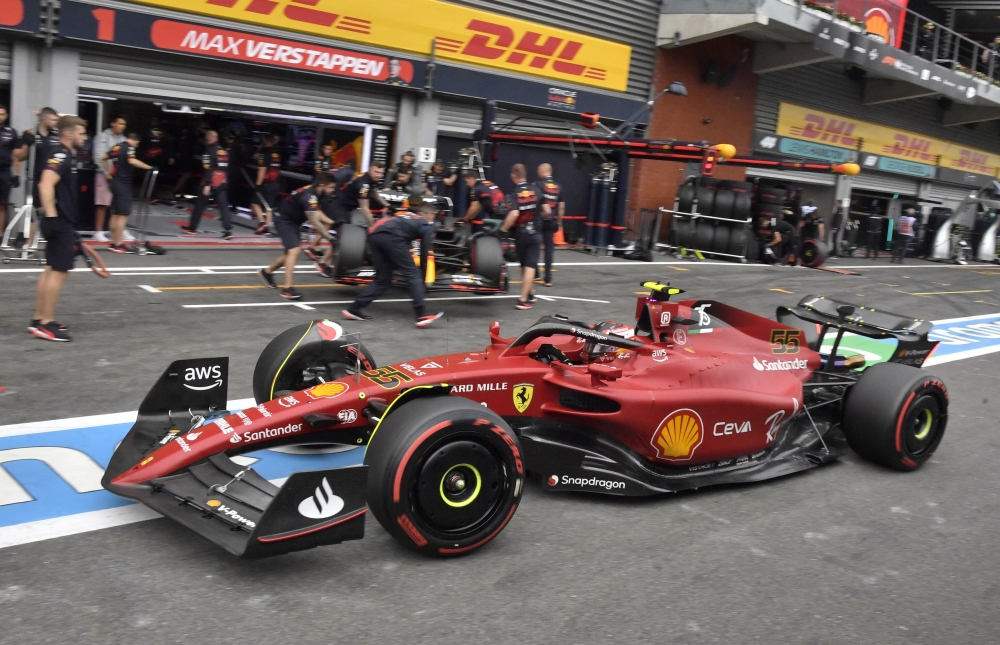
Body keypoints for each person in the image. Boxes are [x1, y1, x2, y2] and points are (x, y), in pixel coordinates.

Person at [28, 115, 88, 342]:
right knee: (59, 270)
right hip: (59, 220)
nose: (85, 137)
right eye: (81, 133)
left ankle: (38, 319)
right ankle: (46, 323)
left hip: (61, 219)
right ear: (69, 134)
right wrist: (52, 216)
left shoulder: (66, 155)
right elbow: (45, 184)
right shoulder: (61, 154)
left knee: (51, 268)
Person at [341, 201, 443, 326]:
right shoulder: (425, 225)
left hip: (375, 234)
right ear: (428, 215)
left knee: (383, 279)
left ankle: (353, 309)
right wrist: (423, 275)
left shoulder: (405, 216)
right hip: (392, 236)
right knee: (413, 274)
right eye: (433, 215)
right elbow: (425, 252)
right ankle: (421, 314)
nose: (433, 218)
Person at [258, 172, 337, 300]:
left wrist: (333, 222)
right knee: (294, 251)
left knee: (289, 254)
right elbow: (316, 223)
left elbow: (316, 211)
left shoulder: (316, 192)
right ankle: (287, 289)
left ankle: (266, 272)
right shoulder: (308, 196)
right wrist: (332, 239)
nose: (332, 190)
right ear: (322, 185)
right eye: (331, 187)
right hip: (284, 221)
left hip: (293, 222)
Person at [500, 164, 549, 310]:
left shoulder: (513, 194)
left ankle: (527, 297)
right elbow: (547, 210)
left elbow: (514, 214)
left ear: (514, 175)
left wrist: (503, 230)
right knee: (530, 265)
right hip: (535, 232)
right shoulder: (537, 190)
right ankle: (527, 296)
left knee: (525, 265)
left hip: (520, 233)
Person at [103, 131, 152, 253]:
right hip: (123, 184)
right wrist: (149, 167)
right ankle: (118, 244)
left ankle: (113, 243)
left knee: (115, 213)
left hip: (114, 182)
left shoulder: (116, 146)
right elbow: (132, 161)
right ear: (136, 141)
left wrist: (109, 172)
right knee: (123, 214)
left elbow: (103, 158)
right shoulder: (129, 147)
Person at [182, 130, 233, 240]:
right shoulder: (224, 151)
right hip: (222, 181)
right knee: (223, 206)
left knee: (199, 205)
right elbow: (226, 167)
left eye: (206, 138)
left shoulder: (208, 151)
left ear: (209, 138)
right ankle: (228, 231)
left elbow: (208, 168)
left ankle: (192, 228)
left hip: (210, 182)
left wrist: (208, 184)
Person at [91, 115, 127, 243]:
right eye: (120, 123)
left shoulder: (123, 139)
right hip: (103, 174)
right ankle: (98, 232)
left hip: (118, 176)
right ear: (113, 123)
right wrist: (107, 173)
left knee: (118, 204)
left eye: (124, 125)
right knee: (103, 204)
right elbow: (98, 156)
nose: (122, 127)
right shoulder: (102, 136)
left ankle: (117, 230)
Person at [534, 163, 565, 287]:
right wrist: (558, 222)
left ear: (542, 171)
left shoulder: (537, 185)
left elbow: (534, 202)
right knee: (549, 250)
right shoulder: (559, 186)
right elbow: (561, 207)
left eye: (538, 170)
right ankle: (548, 279)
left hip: (539, 219)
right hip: (551, 220)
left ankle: (535, 273)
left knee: (534, 247)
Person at [251, 133, 282, 235]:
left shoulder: (264, 153)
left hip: (266, 183)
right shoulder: (276, 153)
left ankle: (262, 222)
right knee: (269, 207)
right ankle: (267, 228)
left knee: (255, 203)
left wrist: (258, 185)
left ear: (265, 141)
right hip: (275, 183)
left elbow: (262, 169)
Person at [0, 104, 23, 233]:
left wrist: (17, 175)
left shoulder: (11, 132)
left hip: (4, 171)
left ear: (6, 116)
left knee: (2, 204)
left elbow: (17, 155)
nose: (0, 116)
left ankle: (0, 234)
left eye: (2, 114)